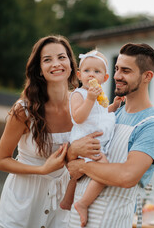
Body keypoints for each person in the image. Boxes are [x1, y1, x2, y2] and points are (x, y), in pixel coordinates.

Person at [0, 35, 103, 228]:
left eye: (61, 57)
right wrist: (42, 170)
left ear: (71, 64)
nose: (56, 64)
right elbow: (1, 160)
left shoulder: (84, 107)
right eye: (47, 60)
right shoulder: (24, 110)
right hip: (22, 199)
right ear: (40, 70)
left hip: (63, 200)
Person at [67, 43, 154, 227]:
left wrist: (81, 165)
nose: (117, 76)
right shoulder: (109, 115)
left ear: (147, 76)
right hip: (74, 221)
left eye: (126, 71)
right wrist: (74, 150)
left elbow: (127, 176)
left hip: (110, 221)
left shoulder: (153, 126)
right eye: (116, 69)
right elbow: (71, 156)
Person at [59, 50, 124, 227]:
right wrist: (90, 98)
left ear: (105, 77)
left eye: (97, 72)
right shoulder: (78, 94)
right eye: (87, 71)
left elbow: (101, 115)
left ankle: (67, 201)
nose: (91, 75)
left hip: (97, 141)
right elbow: (78, 117)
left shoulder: (100, 96)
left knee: (76, 176)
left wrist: (114, 106)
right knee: (104, 170)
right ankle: (83, 203)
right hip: (85, 141)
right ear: (79, 75)